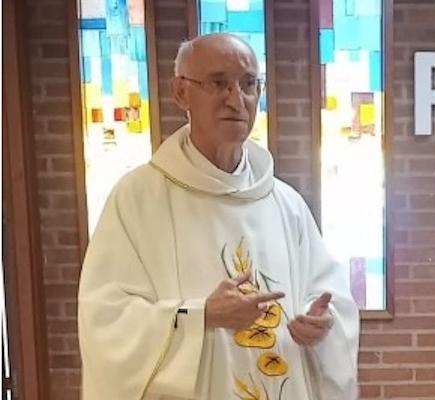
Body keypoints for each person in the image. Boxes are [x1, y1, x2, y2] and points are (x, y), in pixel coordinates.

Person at [78, 33, 359, 400]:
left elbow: (328, 297)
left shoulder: (285, 203)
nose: (235, 99)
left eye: (247, 85)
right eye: (218, 83)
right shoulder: (138, 199)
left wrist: (320, 322)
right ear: (181, 94)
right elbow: (106, 319)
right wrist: (202, 315)